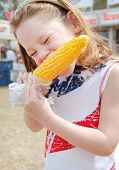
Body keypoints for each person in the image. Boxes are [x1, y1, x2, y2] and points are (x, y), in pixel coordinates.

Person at [10, 0, 119, 169]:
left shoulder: (112, 73)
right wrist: (32, 97)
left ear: (74, 23)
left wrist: (48, 118)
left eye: (46, 40)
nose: (43, 55)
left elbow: (106, 145)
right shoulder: (52, 80)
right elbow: (34, 126)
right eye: (32, 52)